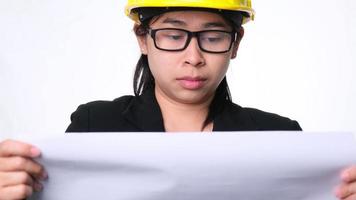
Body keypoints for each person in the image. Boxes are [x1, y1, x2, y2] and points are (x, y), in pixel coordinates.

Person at [0, 0, 355, 199]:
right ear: (143, 38)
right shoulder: (95, 125)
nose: (193, 57)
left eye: (213, 37)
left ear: (236, 44)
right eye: (173, 35)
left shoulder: (279, 135)